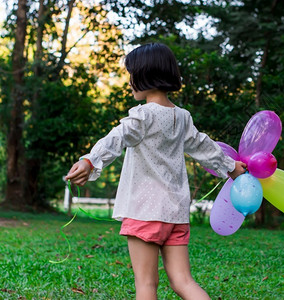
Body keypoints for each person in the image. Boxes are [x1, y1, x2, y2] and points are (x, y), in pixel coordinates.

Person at [65, 42, 247, 300]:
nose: (130, 81)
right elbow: (204, 146)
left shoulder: (142, 116)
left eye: (132, 74)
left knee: (147, 286)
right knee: (183, 281)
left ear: (147, 76)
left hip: (144, 211)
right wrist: (231, 167)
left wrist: (90, 160)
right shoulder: (182, 116)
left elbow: (115, 138)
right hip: (176, 213)